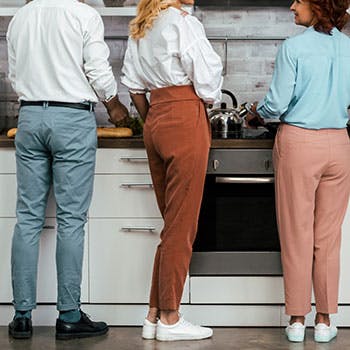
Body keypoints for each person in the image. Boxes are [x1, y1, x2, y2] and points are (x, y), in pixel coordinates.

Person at [7, 0, 128, 340]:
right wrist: (114, 104)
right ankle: (70, 315)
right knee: (71, 218)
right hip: (72, 119)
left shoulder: (21, 16)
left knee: (28, 217)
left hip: (29, 117)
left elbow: (14, 73)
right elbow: (98, 71)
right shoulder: (83, 14)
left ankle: (21, 317)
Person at [246, 0, 350, 343]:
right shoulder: (348, 46)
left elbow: (276, 104)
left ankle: (295, 320)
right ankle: (324, 320)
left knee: (297, 236)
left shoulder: (294, 47)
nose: (292, 6)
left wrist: (257, 113)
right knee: (327, 239)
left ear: (317, 5)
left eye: (299, 0)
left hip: (300, 143)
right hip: (340, 143)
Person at [121, 0, 223, 342]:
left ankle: (153, 314)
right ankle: (171, 317)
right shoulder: (184, 23)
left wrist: (154, 117)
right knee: (182, 225)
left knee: (172, 223)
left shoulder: (142, 25)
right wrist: (204, 99)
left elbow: (133, 87)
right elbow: (207, 80)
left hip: (156, 119)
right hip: (183, 115)